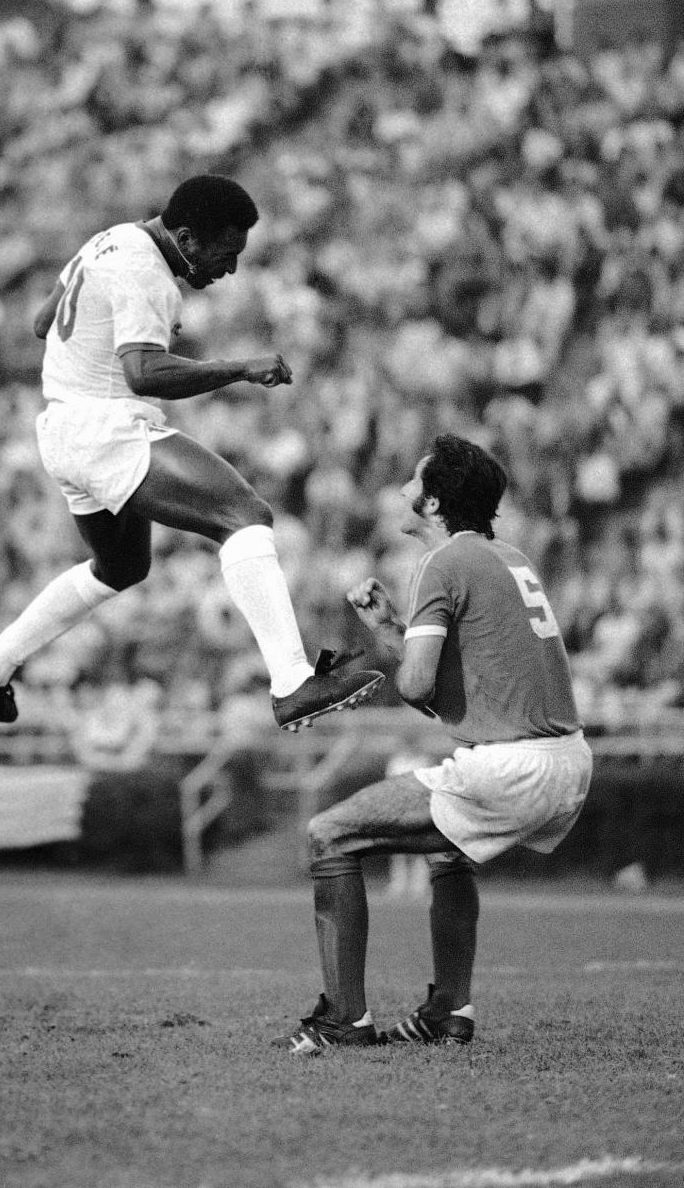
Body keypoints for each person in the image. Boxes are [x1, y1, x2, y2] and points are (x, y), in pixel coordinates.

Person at [0, 174, 382, 731]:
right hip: (104, 427)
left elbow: (40, 320)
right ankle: (293, 682)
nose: (230, 270)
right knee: (245, 517)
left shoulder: (112, 237)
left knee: (122, 566)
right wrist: (240, 368)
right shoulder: (146, 270)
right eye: (226, 254)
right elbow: (143, 371)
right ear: (186, 238)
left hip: (62, 428)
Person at [276, 433, 593, 1055]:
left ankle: (345, 1019)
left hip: (515, 765)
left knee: (330, 834)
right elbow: (464, 694)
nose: (400, 489)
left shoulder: (443, 563)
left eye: (412, 481)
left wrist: (363, 675)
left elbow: (420, 686)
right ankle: (449, 1009)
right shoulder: (509, 556)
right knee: (450, 856)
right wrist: (392, 628)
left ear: (434, 501)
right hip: (568, 760)